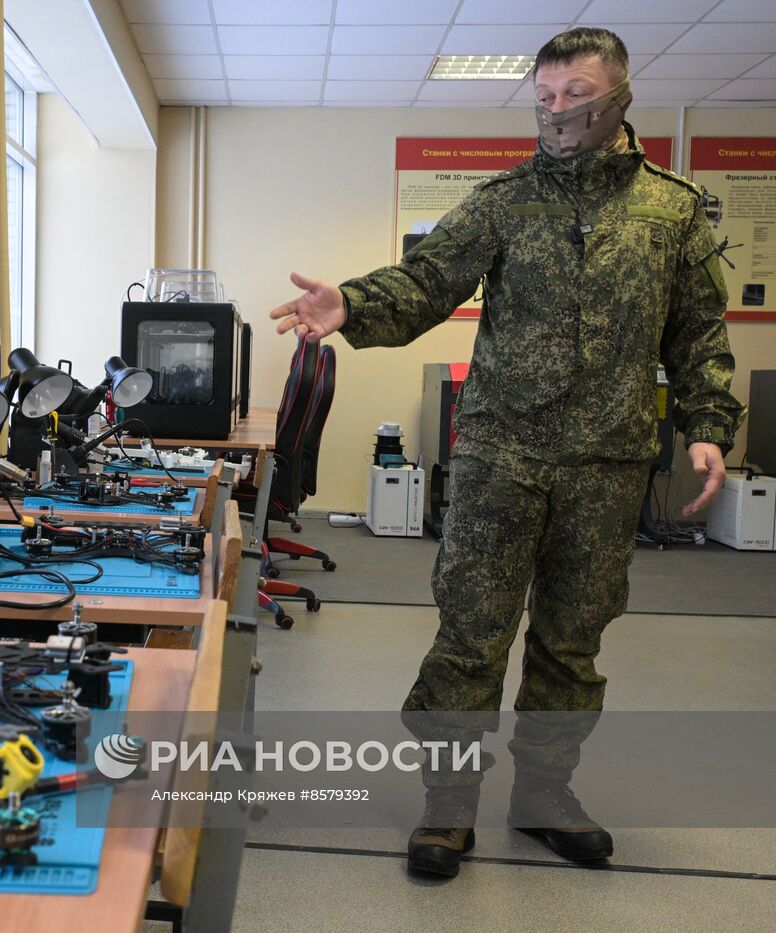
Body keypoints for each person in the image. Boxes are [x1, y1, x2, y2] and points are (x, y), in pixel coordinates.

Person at [270, 27, 744, 880]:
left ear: (621, 97)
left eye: (579, 94)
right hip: (501, 458)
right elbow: (425, 282)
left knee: (573, 641)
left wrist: (708, 425)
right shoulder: (505, 199)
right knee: (471, 636)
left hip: (606, 465)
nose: (559, 111)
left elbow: (700, 332)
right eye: (547, 95)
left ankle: (544, 794)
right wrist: (354, 302)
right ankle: (449, 805)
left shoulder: (674, 210)